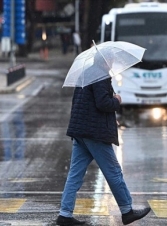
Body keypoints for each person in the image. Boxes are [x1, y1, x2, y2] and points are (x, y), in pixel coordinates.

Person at [56, 55, 151, 225]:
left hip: (81, 131)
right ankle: (127, 210)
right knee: (113, 171)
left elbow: (85, 103)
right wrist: (116, 101)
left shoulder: (86, 73)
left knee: (75, 174)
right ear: (105, 61)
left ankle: (65, 214)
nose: (112, 63)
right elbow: (102, 103)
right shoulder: (100, 75)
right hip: (95, 134)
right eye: (111, 60)